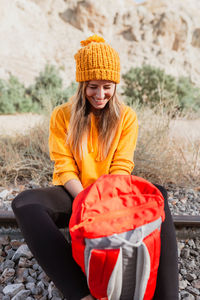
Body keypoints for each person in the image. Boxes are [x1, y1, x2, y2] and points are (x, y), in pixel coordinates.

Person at [12, 34, 179, 300]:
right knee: (24, 203)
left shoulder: (127, 118)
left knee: (159, 194)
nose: (100, 95)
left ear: (115, 85)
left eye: (107, 86)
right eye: (92, 86)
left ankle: (168, 296)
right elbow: (64, 165)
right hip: (75, 194)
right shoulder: (61, 116)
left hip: (113, 194)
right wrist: (85, 202)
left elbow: (122, 166)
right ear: (81, 85)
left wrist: (104, 205)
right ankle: (81, 293)